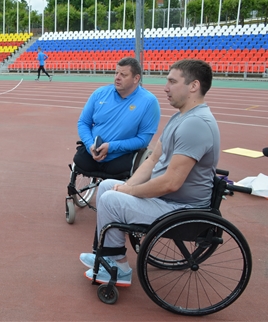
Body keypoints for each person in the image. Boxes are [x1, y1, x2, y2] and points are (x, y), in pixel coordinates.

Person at [80, 59, 220, 287]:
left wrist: (130, 191)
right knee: (108, 187)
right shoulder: (180, 118)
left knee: (111, 198)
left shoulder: (196, 124)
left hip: (182, 210)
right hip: (169, 201)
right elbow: (154, 159)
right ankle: (108, 255)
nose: (165, 87)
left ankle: (119, 266)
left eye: (172, 81)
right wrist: (127, 187)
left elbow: (171, 183)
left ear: (193, 86)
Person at [73, 57, 160, 176]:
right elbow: (83, 122)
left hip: (121, 158)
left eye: (123, 75)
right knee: (79, 159)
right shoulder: (99, 94)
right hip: (92, 153)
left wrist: (111, 147)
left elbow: (143, 140)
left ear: (136, 78)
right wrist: (90, 145)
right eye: (116, 73)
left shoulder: (149, 102)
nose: (117, 78)